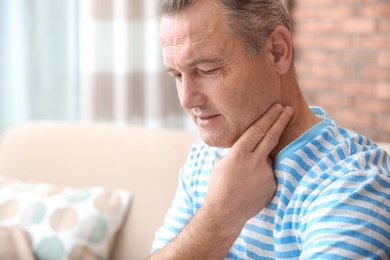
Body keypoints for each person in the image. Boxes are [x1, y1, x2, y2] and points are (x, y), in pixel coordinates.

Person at [149, 0, 390, 259]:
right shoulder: (202, 160)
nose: (186, 100)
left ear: (277, 52)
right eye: (177, 75)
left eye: (208, 69)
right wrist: (218, 217)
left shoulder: (354, 184)